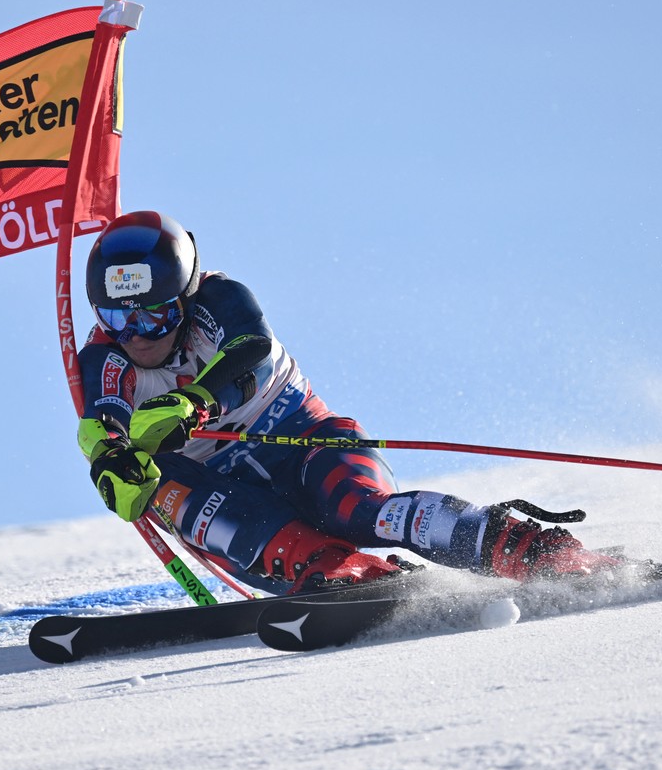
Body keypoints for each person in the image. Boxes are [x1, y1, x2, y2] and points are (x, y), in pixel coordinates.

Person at [76, 210, 619, 594]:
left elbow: (250, 351)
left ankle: (527, 549)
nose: (137, 333)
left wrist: (195, 404)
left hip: (304, 443)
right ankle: (341, 574)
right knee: (182, 491)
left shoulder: (220, 300)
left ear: (186, 295)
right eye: (117, 316)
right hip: (223, 488)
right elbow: (103, 424)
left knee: (360, 508)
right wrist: (112, 463)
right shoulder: (107, 359)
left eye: (155, 313)